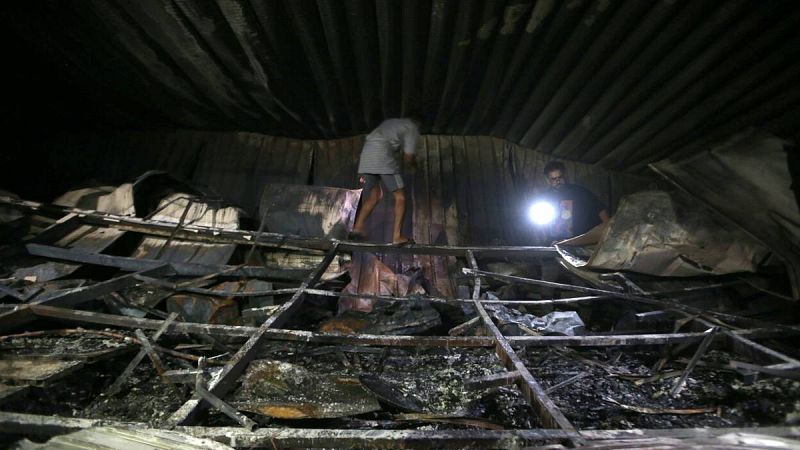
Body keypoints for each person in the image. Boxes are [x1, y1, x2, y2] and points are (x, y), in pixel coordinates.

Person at [349, 117, 421, 246]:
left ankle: (357, 227)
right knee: (400, 198)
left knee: (375, 196)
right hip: (382, 155)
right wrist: (414, 165)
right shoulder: (411, 126)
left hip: (366, 156)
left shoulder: (389, 123)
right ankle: (397, 237)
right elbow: (408, 158)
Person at [541, 161, 609, 243]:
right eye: (553, 179)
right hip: (557, 242)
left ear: (565, 175)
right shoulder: (545, 198)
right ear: (548, 180)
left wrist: (609, 231)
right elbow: (541, 222)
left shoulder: (580, 192)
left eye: (560, 177)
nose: (558, 181)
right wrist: (546, 239)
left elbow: (600, 210)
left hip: (581, 241)